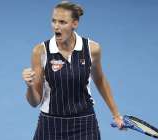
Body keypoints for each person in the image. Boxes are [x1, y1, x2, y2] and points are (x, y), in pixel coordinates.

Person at [22, 1, 124, 140]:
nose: (56, 26)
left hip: (84, 123)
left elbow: (100, 80)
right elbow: (34, 102)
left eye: (62, 22)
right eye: (54, 21)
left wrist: (116, 114)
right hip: (50, 124)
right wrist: (29, 86)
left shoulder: (92, 49)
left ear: (74, 24)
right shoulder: (40, 52)